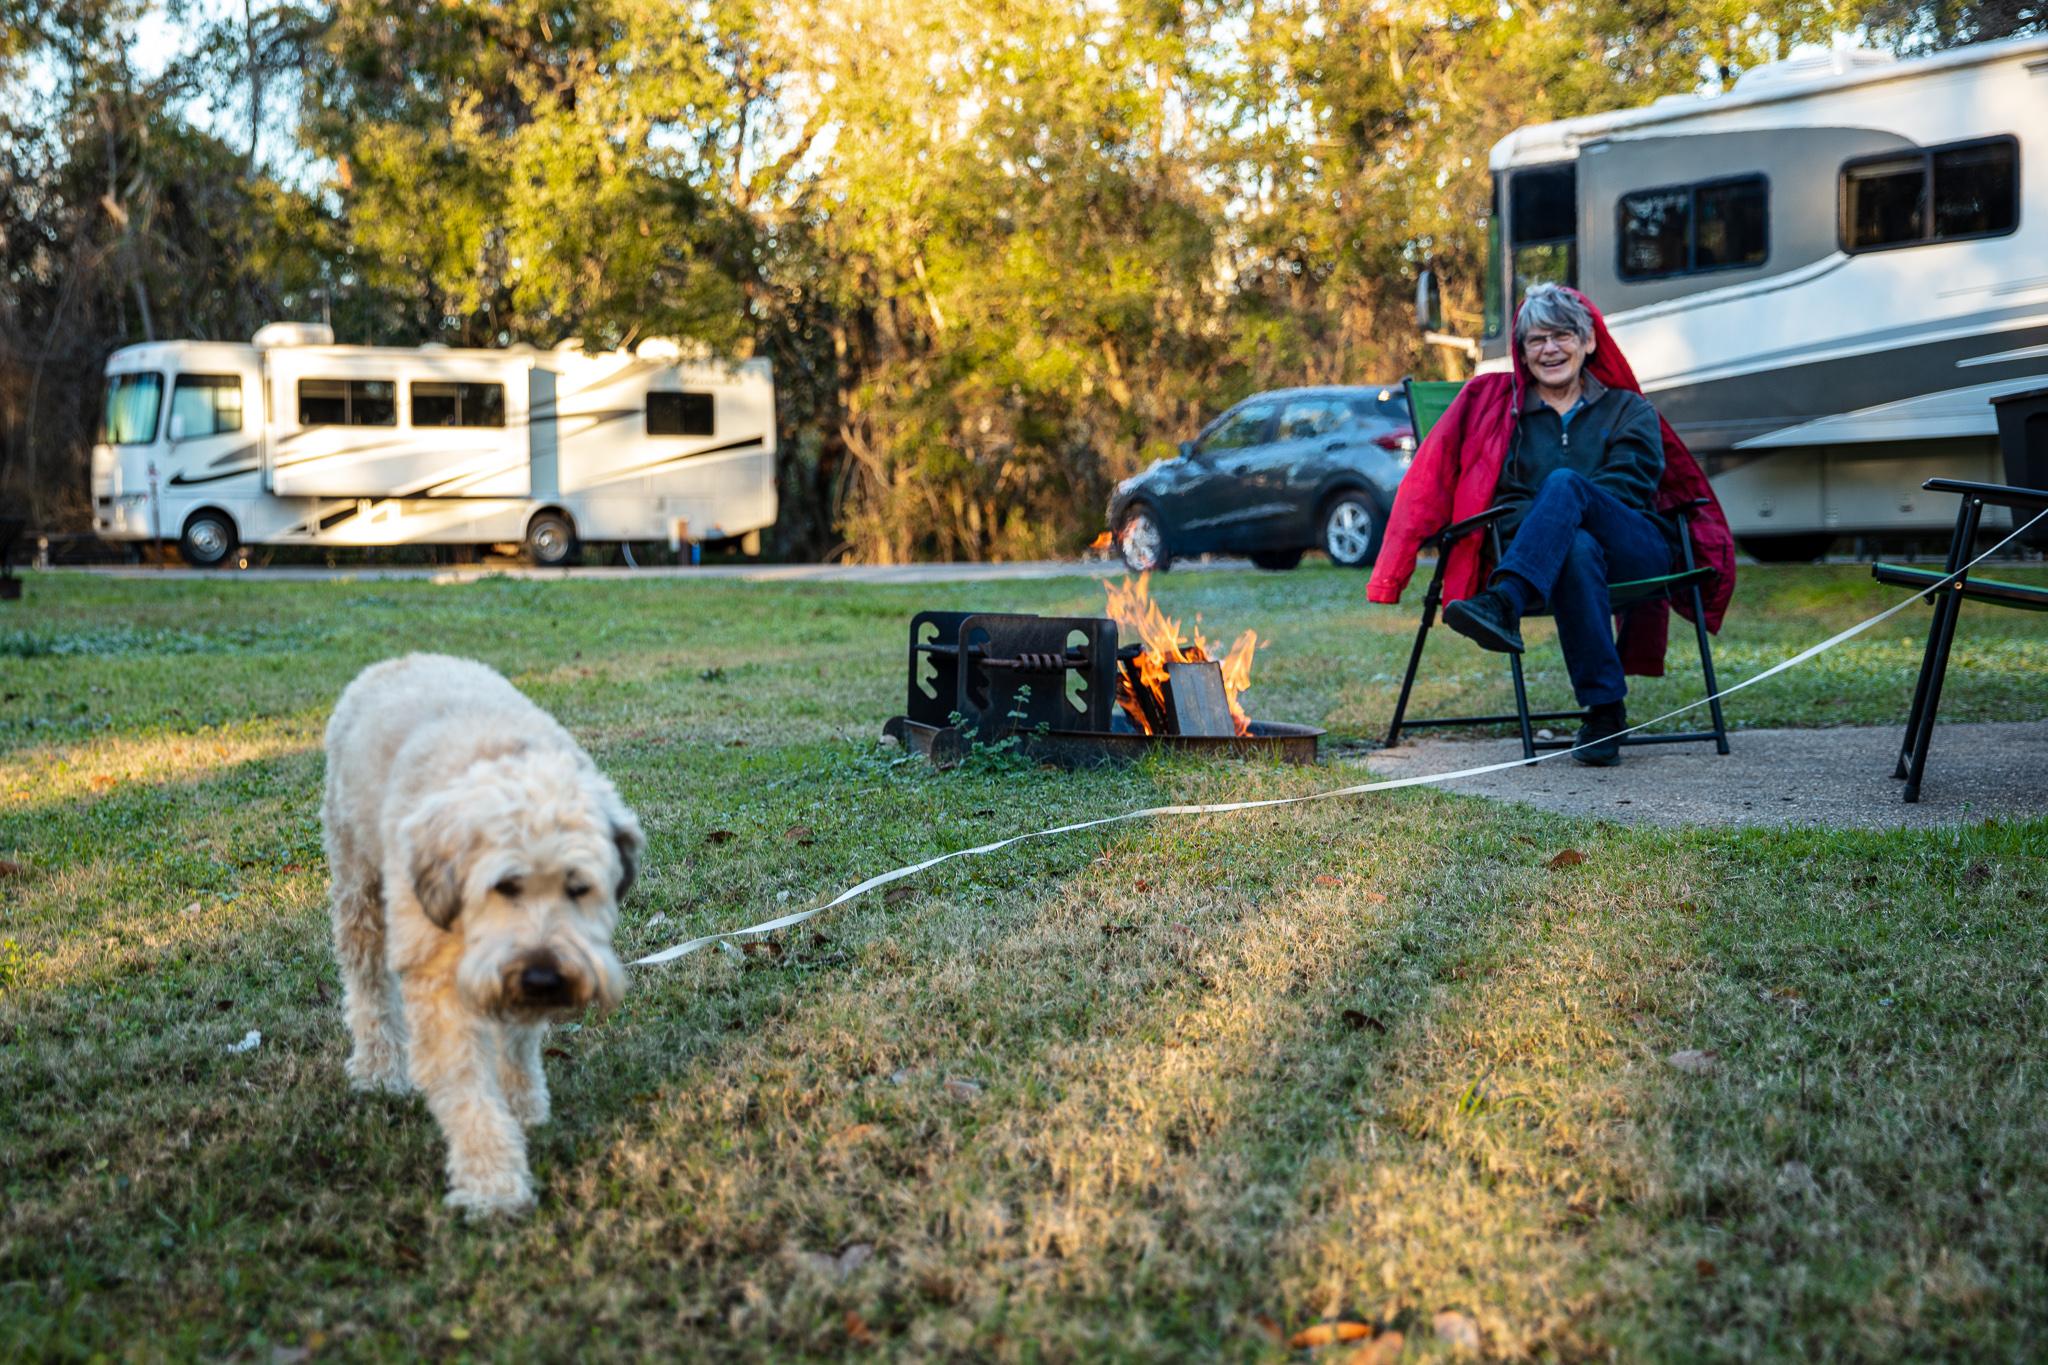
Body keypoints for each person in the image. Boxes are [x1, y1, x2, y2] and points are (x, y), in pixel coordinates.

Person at [1366, 284, 1736, 766]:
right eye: (1536, 340)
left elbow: (1629, 489)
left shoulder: (1629, 410)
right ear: (1522, 352)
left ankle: (1504, 601)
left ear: (1588, 342)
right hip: (1551, 559)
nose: (1550, 349)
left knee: (1568, 488)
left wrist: (1566, 498)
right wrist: (1556, 522)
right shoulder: (1509, 418)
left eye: (1562, 335)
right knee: (1577, 547)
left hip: (1635, 547)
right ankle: (1605, 713)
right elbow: (1505, 503)